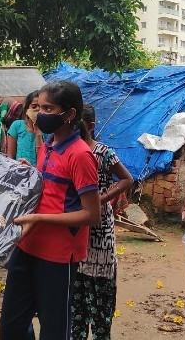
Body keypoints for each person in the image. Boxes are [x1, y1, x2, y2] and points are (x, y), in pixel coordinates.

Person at [0, 81, 101, 340]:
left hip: (57, 255)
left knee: (54, 328)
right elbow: (51, 189)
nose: (40, 113)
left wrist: (39, 218)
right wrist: (29, 172)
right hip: (27, 244)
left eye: (48, 108)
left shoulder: (80, 155)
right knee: (12, 324)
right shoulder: (48, 144)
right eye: (38, 107)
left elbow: (92, 214)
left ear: (69, 115)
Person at [71, 104, 133, 340]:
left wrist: (102, 198)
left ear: (90, 126)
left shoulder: (104, 152)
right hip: (75, 225)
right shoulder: (68, 151)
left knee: (101, 293)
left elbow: (126, 179)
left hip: (99, 229)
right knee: (77, 296)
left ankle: (100, 332)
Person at [7, 90, 42, 166]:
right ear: (26, 109)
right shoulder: (17, 126)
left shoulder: (49, 129)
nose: (38, 109)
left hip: (41, 173)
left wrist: (38, 133)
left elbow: (45, 158)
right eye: (34, 106)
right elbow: (10, 156)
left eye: (41, 106)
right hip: (21, 172)